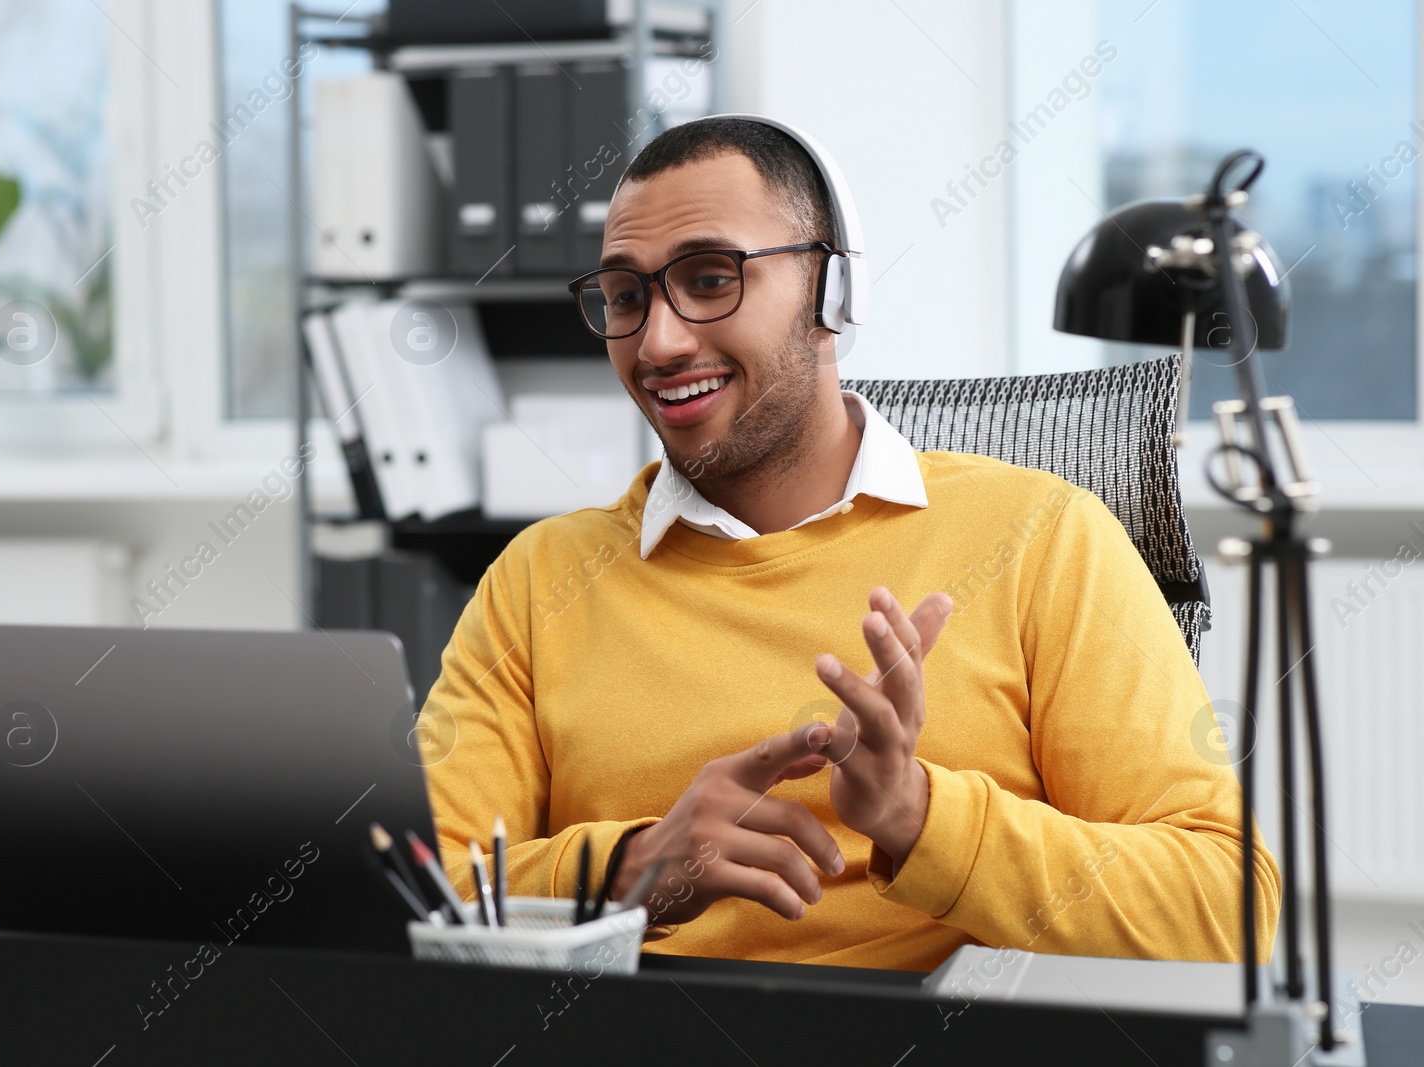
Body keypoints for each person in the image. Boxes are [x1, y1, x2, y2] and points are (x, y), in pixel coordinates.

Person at [417, 115, 1280, 969]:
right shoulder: (540, 579)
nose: (660, 342)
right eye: (626, 296)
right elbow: (416, 887)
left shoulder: (1043, 537)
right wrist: (631, 869)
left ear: (835, 292)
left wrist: (919, 814)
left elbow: (1224, 903)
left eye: (712, 279)